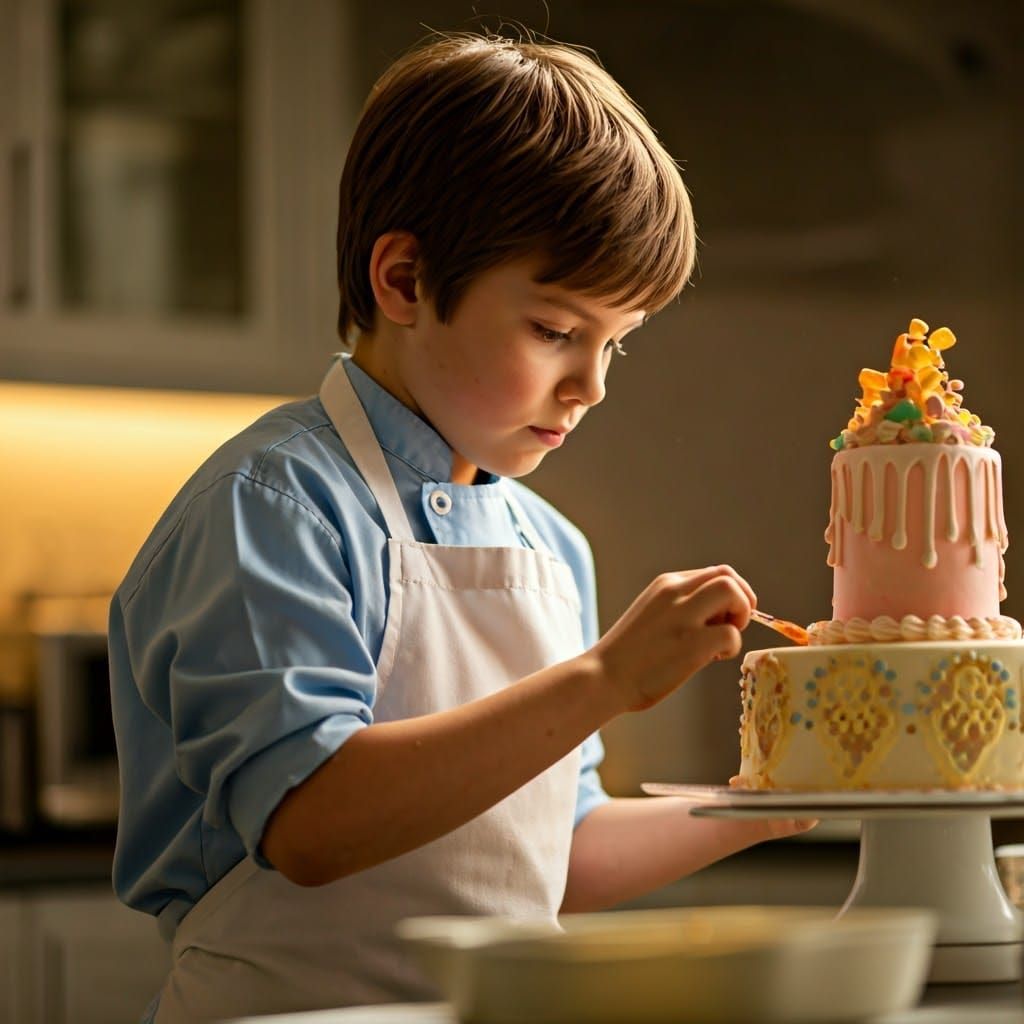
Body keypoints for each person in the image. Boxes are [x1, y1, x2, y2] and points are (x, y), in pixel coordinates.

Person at [109, 30, 812, 1024]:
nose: (591, 384)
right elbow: (311, 824)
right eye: (555, 331)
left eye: (616, 343)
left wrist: (775, 799)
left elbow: (556, 856)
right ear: (403, 280)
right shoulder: (275, 505)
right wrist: (604, 680)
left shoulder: (550, 547)